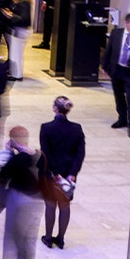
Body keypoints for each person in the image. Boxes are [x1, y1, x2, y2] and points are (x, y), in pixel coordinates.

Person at [0, 126, 45, 259]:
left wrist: (8, 153)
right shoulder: (40, 156)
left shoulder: (17, 160)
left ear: (13, 140)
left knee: (12, 241)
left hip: (20, 202)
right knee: (30, 241)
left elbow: (2, 176)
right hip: (38, 202)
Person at [40, 96, 84, 250]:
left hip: (52, 174)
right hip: (69, 175)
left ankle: (48, 237)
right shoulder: (77, 128)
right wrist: (72, 173)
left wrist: (55, 173)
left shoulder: (46, 128)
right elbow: (80, 154)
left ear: (55, 108)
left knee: (50, 204)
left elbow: (46, 153)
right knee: (65, 206)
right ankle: (60, 239)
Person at [103, 12, 130, 139]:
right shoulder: (116, 33)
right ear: (126, 23)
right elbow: (109, 50)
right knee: (118, 96)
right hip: (116, 70)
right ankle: (122, 119)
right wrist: (104, 67)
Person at [5, 0, 32, 81]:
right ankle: (14, 73)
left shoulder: (25, 2)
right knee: (15, 52)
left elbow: (24, 18)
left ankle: (17, 75)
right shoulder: (19, 0)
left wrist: (11, 15)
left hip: (21, 30)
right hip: (18, 29)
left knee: (17, 53)